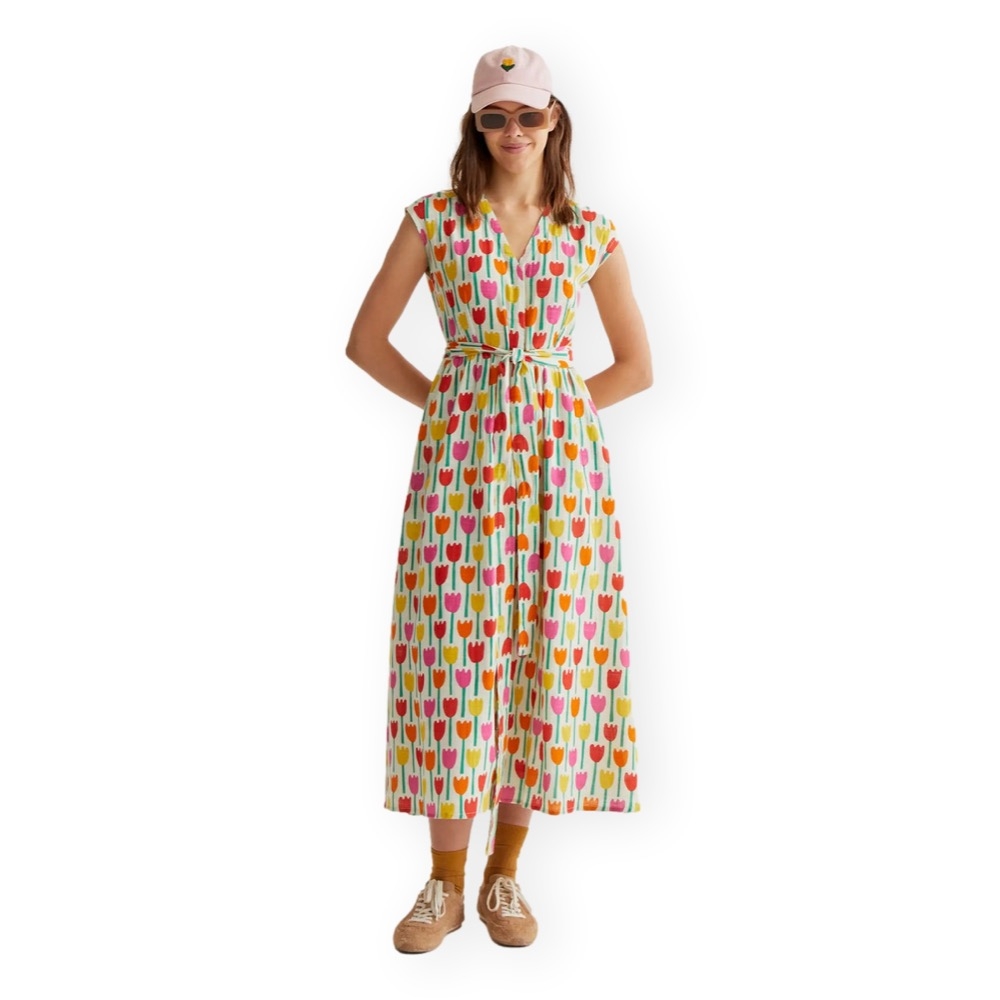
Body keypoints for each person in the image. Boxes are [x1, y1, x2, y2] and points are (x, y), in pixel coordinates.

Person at [346, 44, 654, 953]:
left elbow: (636, 366)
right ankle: (443, 883)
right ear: (474, 124)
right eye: (495, 115)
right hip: (461, 474)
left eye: (527, 113)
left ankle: (503, 874)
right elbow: (366, 341)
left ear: (554, 119)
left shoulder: (589, 232)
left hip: (563, 478)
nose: (512, 130)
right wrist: (453, 403)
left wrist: (552, 409)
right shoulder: (434, 220)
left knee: (540, 653)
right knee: (452, 657)